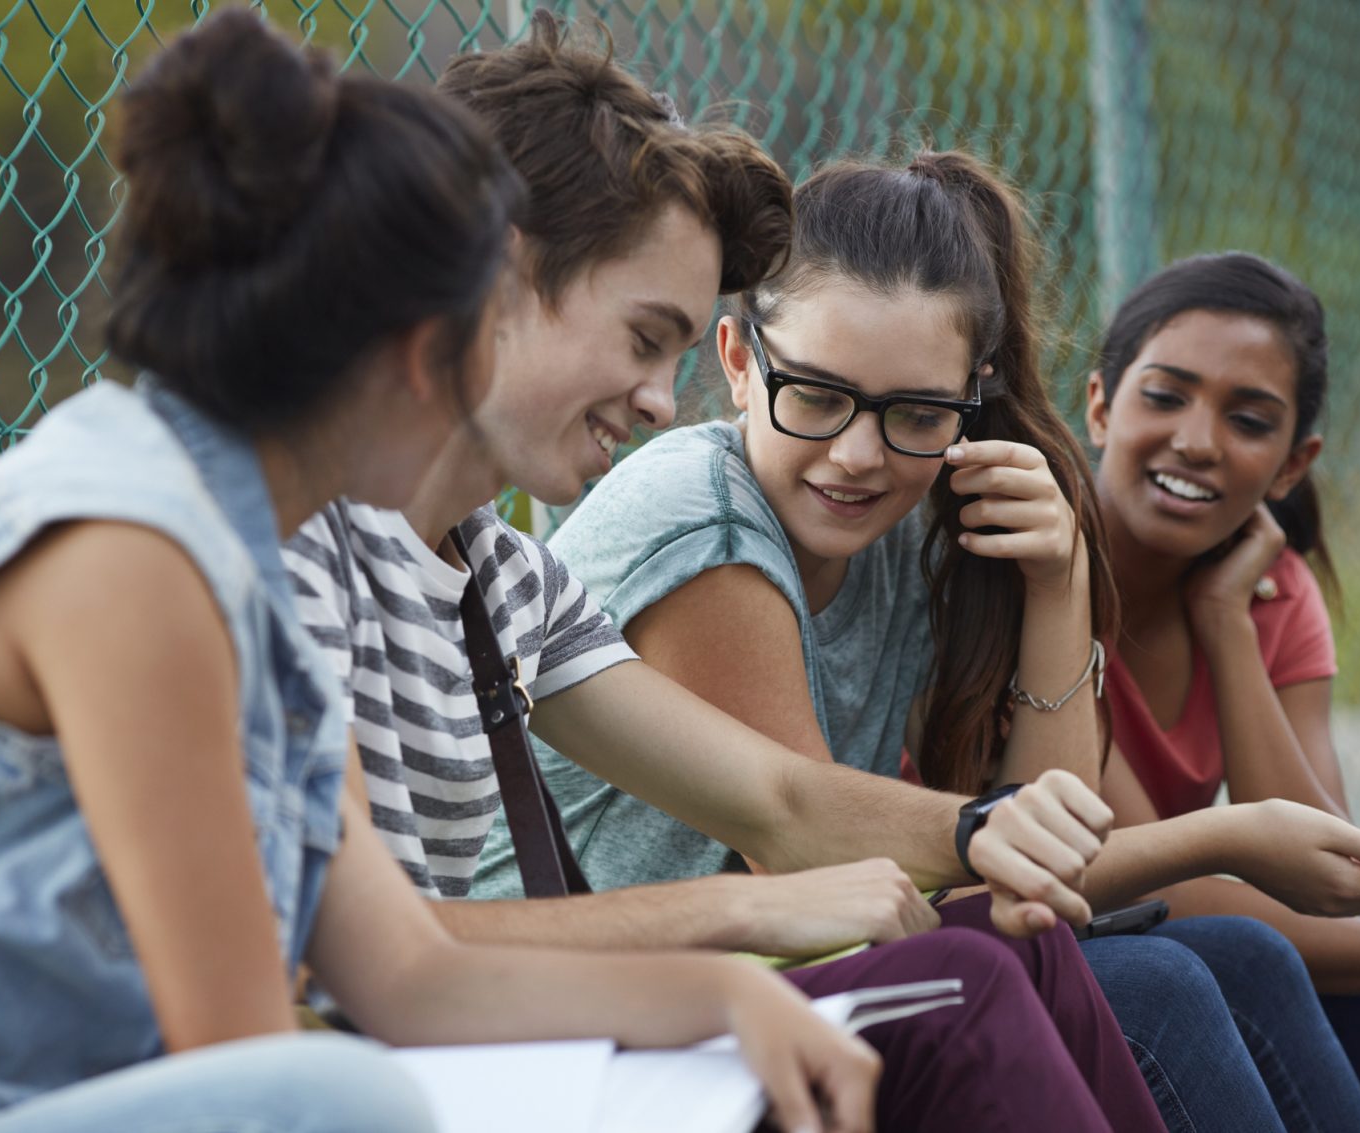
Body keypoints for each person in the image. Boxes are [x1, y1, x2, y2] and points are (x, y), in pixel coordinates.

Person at [0, 14, 884, 1133]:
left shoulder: (253, 559)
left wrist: (724, 989)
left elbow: (408, 975)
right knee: (337, 1096)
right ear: (422, 350)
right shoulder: (131, 549)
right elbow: (250, 1061)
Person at [284, 14, 1166, 1131]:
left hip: (477, 1050)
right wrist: (736, 932)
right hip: (370, 1079)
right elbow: (369, 960)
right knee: (964, 983)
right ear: (495, 278)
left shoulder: (496, 574)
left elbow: (777, 797)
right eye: (646, 336)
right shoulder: (294, 538)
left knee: (1001, 953)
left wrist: (972, 825)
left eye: (910, 412)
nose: (661, 399)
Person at [492, 151, 1360, 1132]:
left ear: (965, 400)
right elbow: (808, 859)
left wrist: (1055, 583)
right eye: (812, 393)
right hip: (611, 1005)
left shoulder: (909, 520)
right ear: (734, 360)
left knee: (1242, 955)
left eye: (914, 412)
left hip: (769, 968)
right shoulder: (705, 521)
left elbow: (1049, 870)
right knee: (1148, 987)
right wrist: (1228, 836)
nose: (856, 453)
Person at [1085, 250, 1360, 1129]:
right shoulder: (1044, 581)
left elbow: (1329, 875)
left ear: (1291, 463)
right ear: (1099, 405)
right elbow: (1141, 885)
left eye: (1248, 419)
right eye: (1164, 395)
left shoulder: (1270, 589)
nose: (1197, 440)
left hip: (1175, 928)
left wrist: (1226, 620)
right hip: (1050, 919)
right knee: (1265, 954)